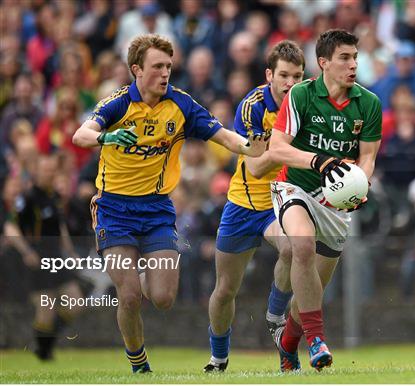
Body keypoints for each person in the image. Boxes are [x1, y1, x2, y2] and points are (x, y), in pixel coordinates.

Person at [72, 34, 266, 374]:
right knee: (130, 296)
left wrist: (251, 147)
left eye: (169, 66)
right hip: (113, 210)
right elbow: (81, 135)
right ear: (136, 69)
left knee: (163, 299)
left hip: (157, 210)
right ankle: (139, 365)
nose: (165, 73)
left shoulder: (181, 104)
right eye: (157, 66)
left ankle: (146, 267)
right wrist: (108, 136)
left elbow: (221, 134)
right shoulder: (117, 103)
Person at [269, 30, 382, 371]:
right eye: (345, 58)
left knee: (312, 286)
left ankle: (288, 343)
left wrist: (361, 186)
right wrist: (318, 161)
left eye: (355, 57)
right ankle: (317, 342)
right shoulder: (301, 95)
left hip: (335, 203)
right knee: (301, 247)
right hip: (294, 188)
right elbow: (278, 148)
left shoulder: (369, 103)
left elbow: (368, 157)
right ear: (323, 63)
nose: (353, 65)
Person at [203, 40, 305, 373]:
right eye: (285, 75)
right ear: (269, 75)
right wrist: (284, 153)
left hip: (281, 200)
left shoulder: (306, 106)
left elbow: (270, 158)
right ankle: (219, 357)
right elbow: (257, 166)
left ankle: (276, 317)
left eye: (297, 76)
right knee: (225, 290)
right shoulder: (252, 106)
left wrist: (273, 152)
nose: (291, 83)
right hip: (243, 203)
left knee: (293, 247)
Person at [4, 154, 84, 361]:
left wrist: (71, 252)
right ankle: (43, 352)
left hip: (56, 257)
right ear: (37, 172)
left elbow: (60, 227)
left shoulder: (54, 197)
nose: (49, 173)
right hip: (37, 258)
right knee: (46, 309)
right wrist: (26, 251)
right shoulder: (27, 198)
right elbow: (11, 225)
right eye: (45, 170)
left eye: (52, 170)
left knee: (76, 302)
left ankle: (44, 344)